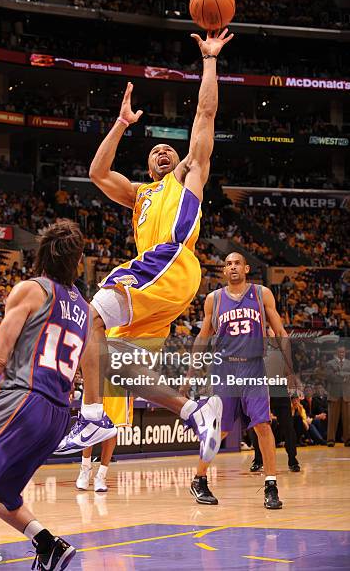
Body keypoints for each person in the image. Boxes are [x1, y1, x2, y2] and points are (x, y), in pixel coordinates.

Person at [56, 29, 234, 463]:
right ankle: (194, 411)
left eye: (168, 150)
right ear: (147, 164)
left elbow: (205, 116)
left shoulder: (188, 176)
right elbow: (98, 172)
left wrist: (209, 60)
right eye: (154, 151)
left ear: (182, 160)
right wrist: (120, 123)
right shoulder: (139, 193)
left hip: (170, 259)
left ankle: (93, 413)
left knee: (88, 314)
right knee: (119, 366)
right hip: (158, 283)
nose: (161, 154)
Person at [0, 219, 101, 571]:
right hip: (59, 413)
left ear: (41, 252)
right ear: (77, 262)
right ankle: (48, 543)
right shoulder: (85, 310)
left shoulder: (32, 290)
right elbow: (89, 366)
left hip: (25, 399)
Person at [181, 253, 294, 509]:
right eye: (228, 264)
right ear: (223, 271)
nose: (232, 267)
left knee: (262, 425)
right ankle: (198, 479)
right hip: (224, 368)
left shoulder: (261, 294)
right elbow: (202, 338)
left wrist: (290, 370)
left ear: (246, 267)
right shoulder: (214, 299)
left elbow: (280, 332)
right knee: (218, 429)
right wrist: (190, 374)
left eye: (236, 263)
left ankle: (271, 486)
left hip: (254, 367)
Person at [250, 328, 300, 473]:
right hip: (260, 390)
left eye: (270, 331)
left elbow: (290, 372)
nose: (268, 333)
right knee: (258, 427)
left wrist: (295, 395)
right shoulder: (255, 348)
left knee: (288, 427)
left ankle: (293, 460)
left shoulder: (283, 349)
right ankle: (258, 460)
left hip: (279, 389)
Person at [326, 345, 350, 446]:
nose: (341, 354)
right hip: (334, 394)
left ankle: (348, 439)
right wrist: (344, 377)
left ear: (345, 353)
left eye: (343, 352)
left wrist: (339, 373)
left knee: (348, 418)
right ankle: (330, 440)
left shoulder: (349, 363)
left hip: (346, 394)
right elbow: (330, 377)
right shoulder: (329, 364)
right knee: (332, 418)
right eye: (340, 352)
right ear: (336, 352)